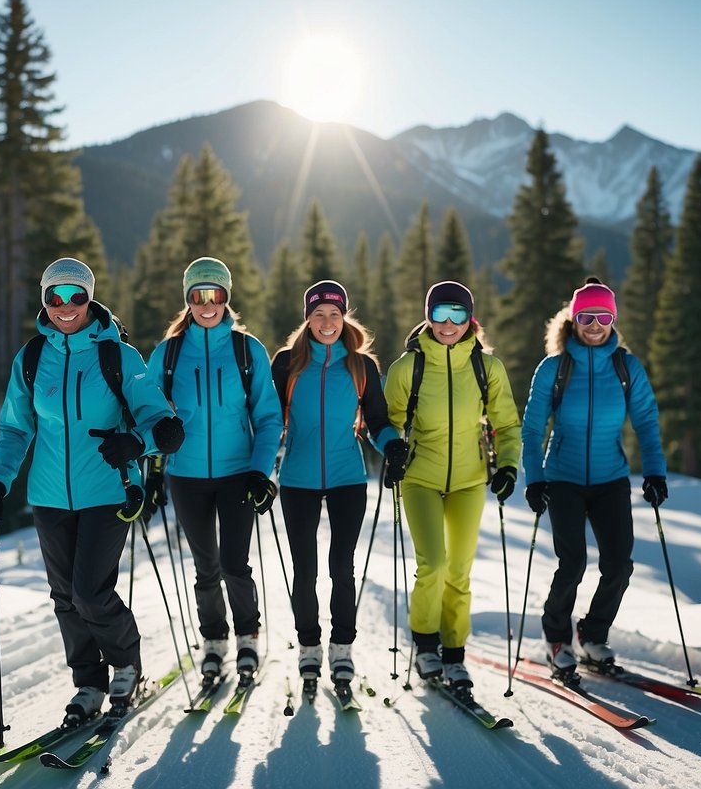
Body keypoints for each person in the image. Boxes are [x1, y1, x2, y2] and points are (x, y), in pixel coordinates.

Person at [0, 258, 184, 726]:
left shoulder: (118, 357)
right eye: (55, 297)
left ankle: (126, 664)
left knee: (91, 592)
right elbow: (14, 430)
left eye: (76, 296)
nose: (65, 307)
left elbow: (161, 423)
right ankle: (89, 683)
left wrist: (136, 442)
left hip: (106, 491)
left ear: (89, 299)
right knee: (65, 596)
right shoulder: (30, 359)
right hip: (48, 496)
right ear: (44, 302)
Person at [521, 277, 667, 677]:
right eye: (587, 316)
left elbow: (647, 422)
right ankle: (556, 638)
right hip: (563, 478)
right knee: (572, 563)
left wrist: (655, 472)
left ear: (613, 319)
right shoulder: (554, 368)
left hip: (610, 479)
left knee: (619, 564)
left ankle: (592, 634)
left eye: (603, 316)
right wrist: (534, 479)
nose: (595, 324)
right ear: (574, 319)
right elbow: (532, 429)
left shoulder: (625, 366)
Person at [146, 257, 283, 681]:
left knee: (235, 564)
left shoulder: (247, 349)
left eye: (216, 295)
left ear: (227, 298)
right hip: (186, 476)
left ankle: (247, 639)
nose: (207, 304)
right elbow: (147, 414)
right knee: (205, 566)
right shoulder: (168, 354)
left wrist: (261, 471)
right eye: (198, 296)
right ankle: (214, 642)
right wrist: (151, 472)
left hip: (238, 473)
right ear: (188, 300)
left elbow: (268, 418)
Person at [383, 281, 522, 688]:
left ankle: (454, 653)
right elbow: (387, 421)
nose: (448, 324)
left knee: (459, 571)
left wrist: (509, 466)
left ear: (470, 319)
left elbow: (507, 424)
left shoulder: (486, 368)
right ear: (427, 317)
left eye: (457, 314)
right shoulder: (407, 367)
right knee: (434, 565)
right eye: (440, 314)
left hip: (469, 479)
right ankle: (426, 647)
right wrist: (391, 451)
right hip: (420, 478)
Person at [271, 280, 402, 691]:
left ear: (344, 316)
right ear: (307, 318)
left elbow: (377, 421)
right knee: (305, 569)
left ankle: (342, 649)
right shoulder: (286, 362)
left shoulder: (361, 365)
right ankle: (309, 647)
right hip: (297, 479)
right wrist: (257, 467)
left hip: (347, 477)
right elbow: (269, 419)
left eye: (334, 314)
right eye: (318, 314)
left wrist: (393, 445)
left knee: (341, 567)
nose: (327, 322)